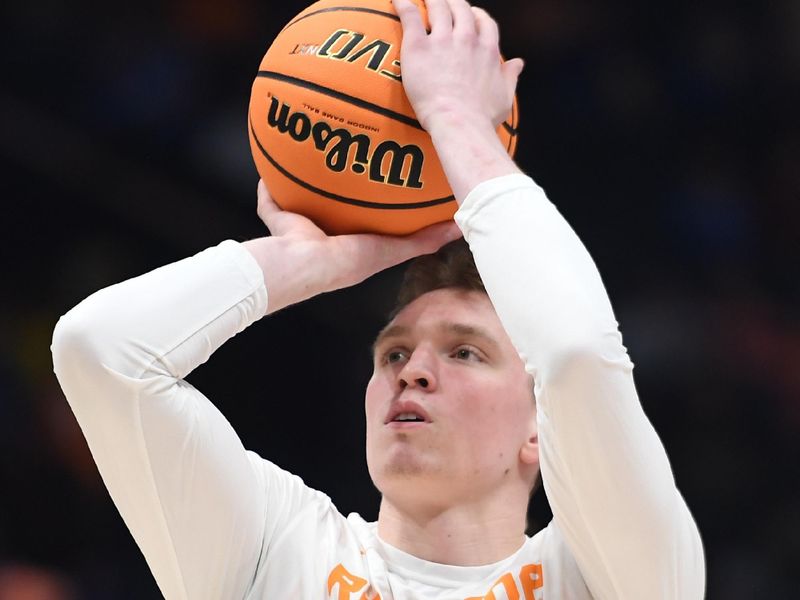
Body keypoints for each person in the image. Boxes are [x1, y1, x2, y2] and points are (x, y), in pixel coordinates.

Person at [51, 0, 705, 598]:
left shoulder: (608, 575)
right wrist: (301, 265)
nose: (412, 370)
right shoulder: (276, 548)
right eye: (392, 354)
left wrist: (454, 119)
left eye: (467, 352)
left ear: (542, 428)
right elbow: (99, 350)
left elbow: (576, 354)